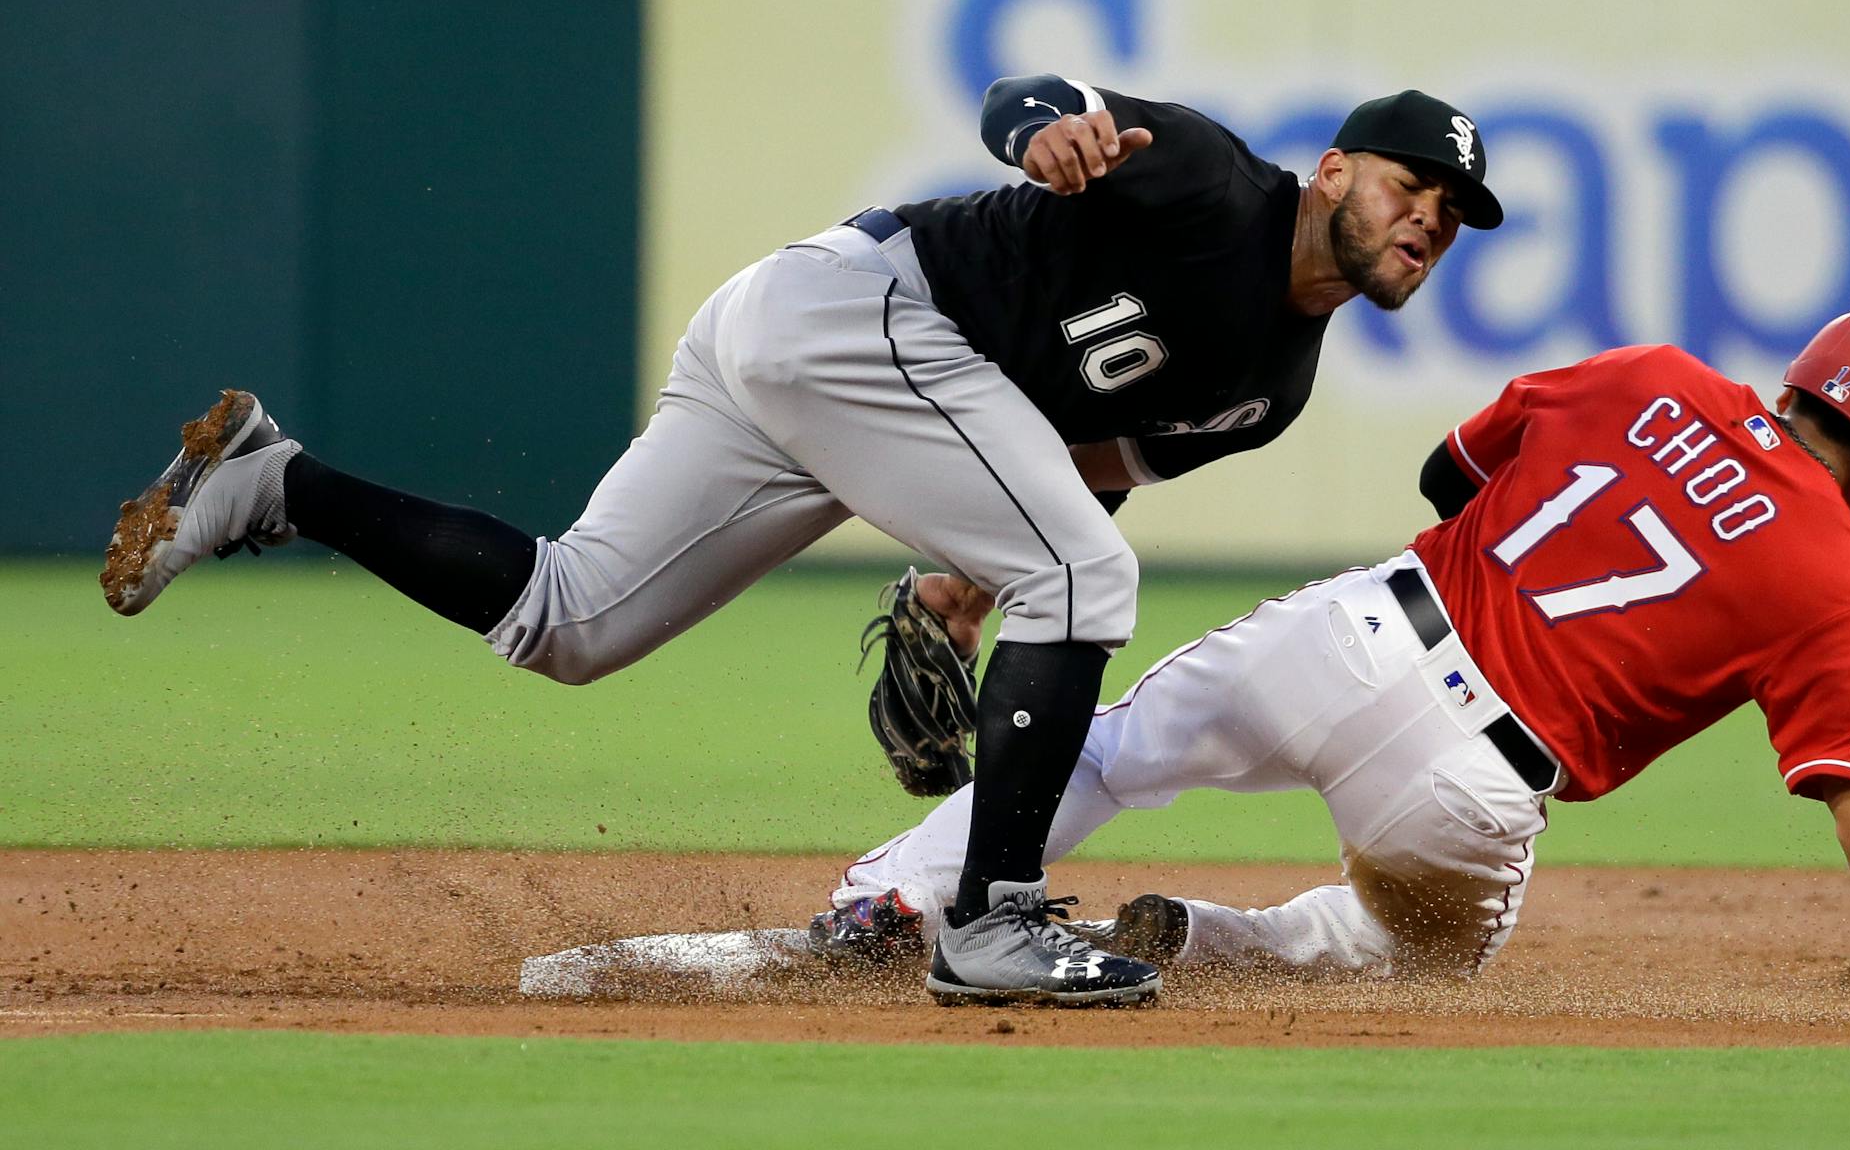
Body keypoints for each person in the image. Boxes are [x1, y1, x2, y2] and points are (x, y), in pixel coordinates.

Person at [98, 77, 1505, 1006]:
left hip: (832, 365)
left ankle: (272, 485)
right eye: (1407, 187)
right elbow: (1037, 103)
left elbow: (1085, 464)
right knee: (1086, 579)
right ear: (1334, 169)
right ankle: (992, 922)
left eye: (1448, 218)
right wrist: (1043, 137)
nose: (1424, 221)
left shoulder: (1277, 385)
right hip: (863, 314)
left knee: (570, 621)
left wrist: (962, 584)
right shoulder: (1208, 179)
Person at [809, 312, 1850, 988]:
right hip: (1471, 783)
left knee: (1109, 752)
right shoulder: (1841, 582)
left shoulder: (1654, 375)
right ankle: (1217, 939)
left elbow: (1449, 475)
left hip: (1361, 631)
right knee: (1412, 960)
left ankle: (881, 901)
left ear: (1803, 381)